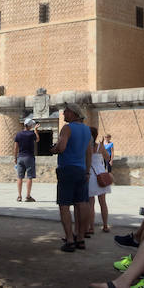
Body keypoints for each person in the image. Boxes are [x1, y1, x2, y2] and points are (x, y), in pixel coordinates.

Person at [49, 103, 92, 252]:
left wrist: (54, 149)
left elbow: (61, 147)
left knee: (64, 205)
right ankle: (80, 238)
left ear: (73, 113)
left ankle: (69, 240)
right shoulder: (87, 130)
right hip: (81, 171)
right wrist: (87, 172)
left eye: (66, 111)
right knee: (82, 204)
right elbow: (89, 153)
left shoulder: (67, 128)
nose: (63, 114)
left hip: (67, 169)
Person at [86, 126, 112, 235]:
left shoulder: (85, 147)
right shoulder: (100, 147)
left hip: (91, 175)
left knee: (91, 204)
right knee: (103, 203)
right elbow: (107, 158)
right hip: (101, 174)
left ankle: (91, 227)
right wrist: (102, 147)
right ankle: (105, 225)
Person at [13, 120, 39, 202]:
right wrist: (35, 130)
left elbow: (15, 147)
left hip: (20, 157)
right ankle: (28, 196)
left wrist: (15, 158)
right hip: (29, 157)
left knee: (19, 177)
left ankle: (19, 196)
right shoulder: (31, 134)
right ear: (29, 126)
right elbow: (37, 139)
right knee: (29, 177)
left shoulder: (18, 134)